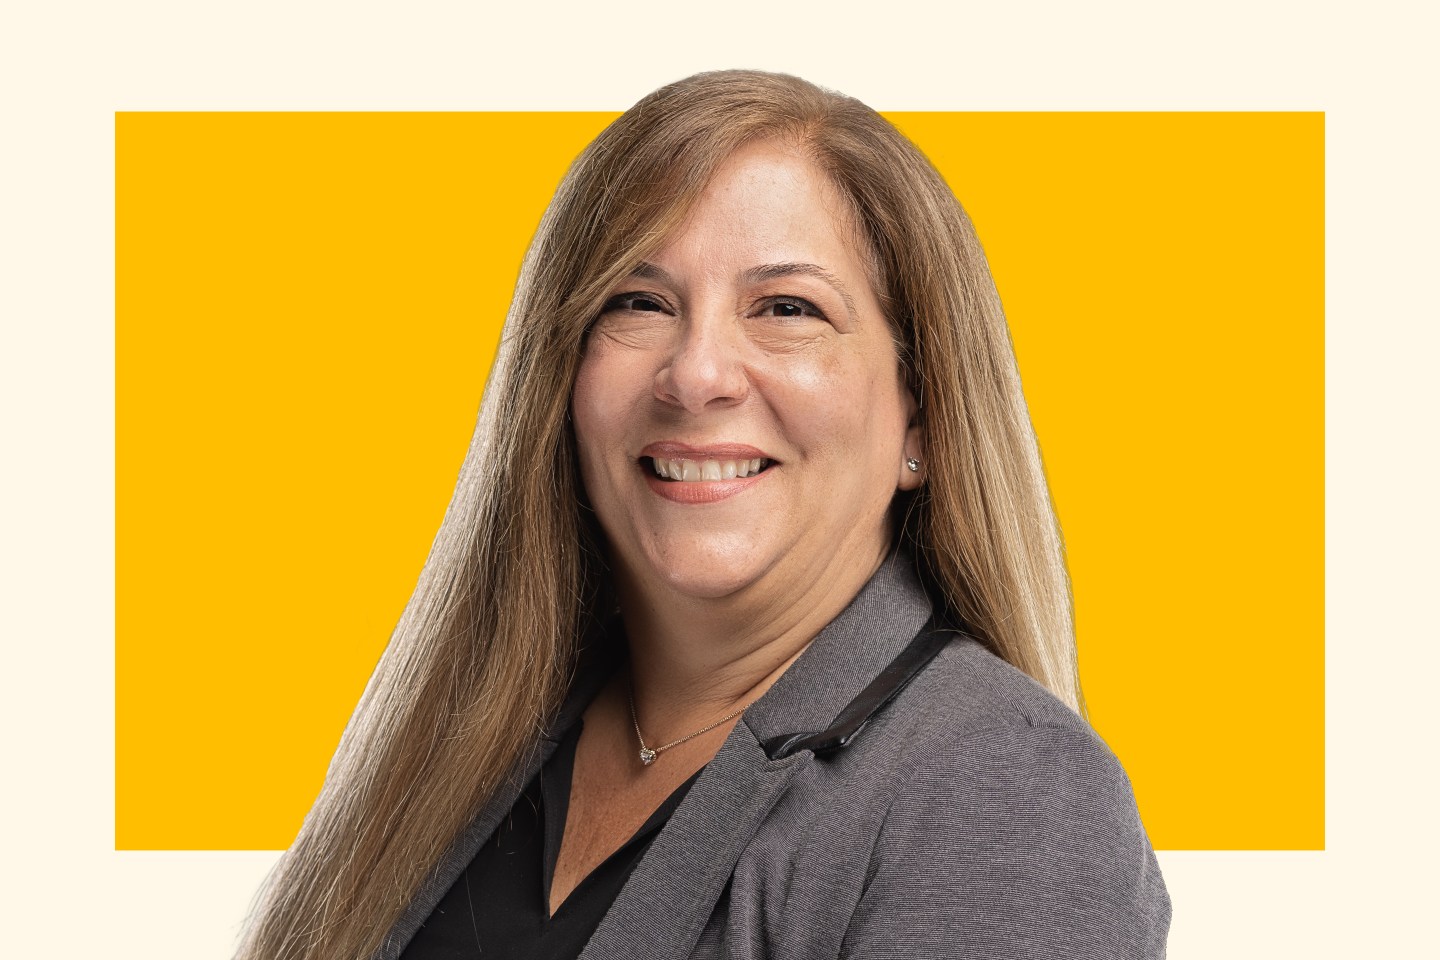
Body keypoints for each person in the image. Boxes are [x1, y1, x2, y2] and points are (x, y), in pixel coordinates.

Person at [237, 70, 1171, 960]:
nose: (695, 374)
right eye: (638, 302)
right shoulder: (469, 739)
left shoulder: (1007, 792)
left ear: (919, 417)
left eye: (786, 307)